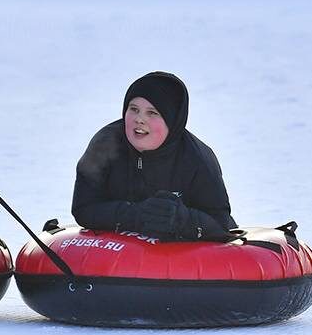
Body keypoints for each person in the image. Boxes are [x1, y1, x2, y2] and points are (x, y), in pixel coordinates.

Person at [72, 71, 236, 241]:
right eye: (134, 109)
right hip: (119, 253)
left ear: (171, 120)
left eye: (152, 113)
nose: (139, 119)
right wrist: (135, 214)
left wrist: (181, 219)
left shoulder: (198, 159)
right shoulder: (105, 144)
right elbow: (83, 208)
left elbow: (220, 223)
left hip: (187, 257)